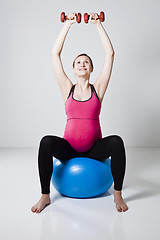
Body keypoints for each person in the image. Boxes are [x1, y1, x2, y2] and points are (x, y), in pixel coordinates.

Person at [31, 12, 128, 213]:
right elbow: (54, 54)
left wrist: (98, 25)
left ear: (91, 68)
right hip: (69, 149)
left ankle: (117, 194)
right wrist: (68, 24)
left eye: (86, 62)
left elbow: (110, 54)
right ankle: (45, 196)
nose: (82, 64)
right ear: (73, 69)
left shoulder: (98, 88)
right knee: (46, 142)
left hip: (94, 151)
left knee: (117, 141)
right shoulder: (67, 87)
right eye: (78, 63)